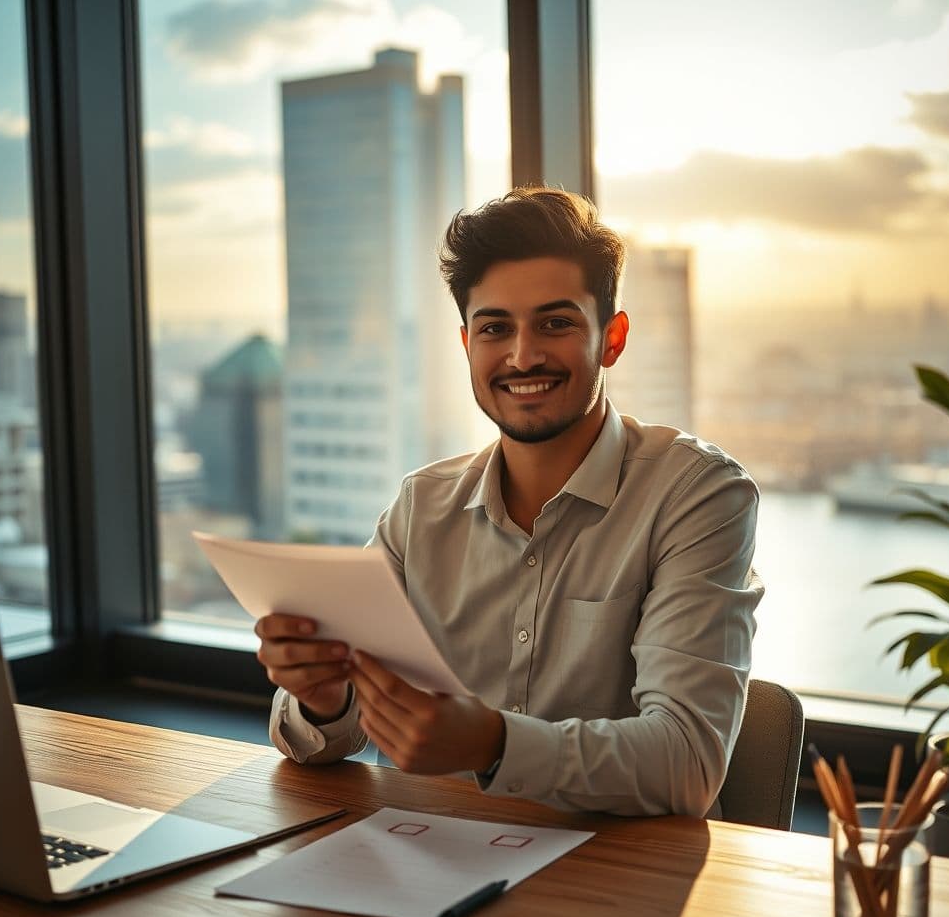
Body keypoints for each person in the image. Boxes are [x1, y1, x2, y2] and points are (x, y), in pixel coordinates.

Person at [258, 186, 763, 816]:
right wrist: (324, 697)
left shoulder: (696, 495)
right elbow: (320, 740)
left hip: (618, 884)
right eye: (496, 328)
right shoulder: (422, 508)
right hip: (424, 866)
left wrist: (494, 743)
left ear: (611, 338)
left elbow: (686, 764)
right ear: (468, 344)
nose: (523, 355)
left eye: (555, 323)